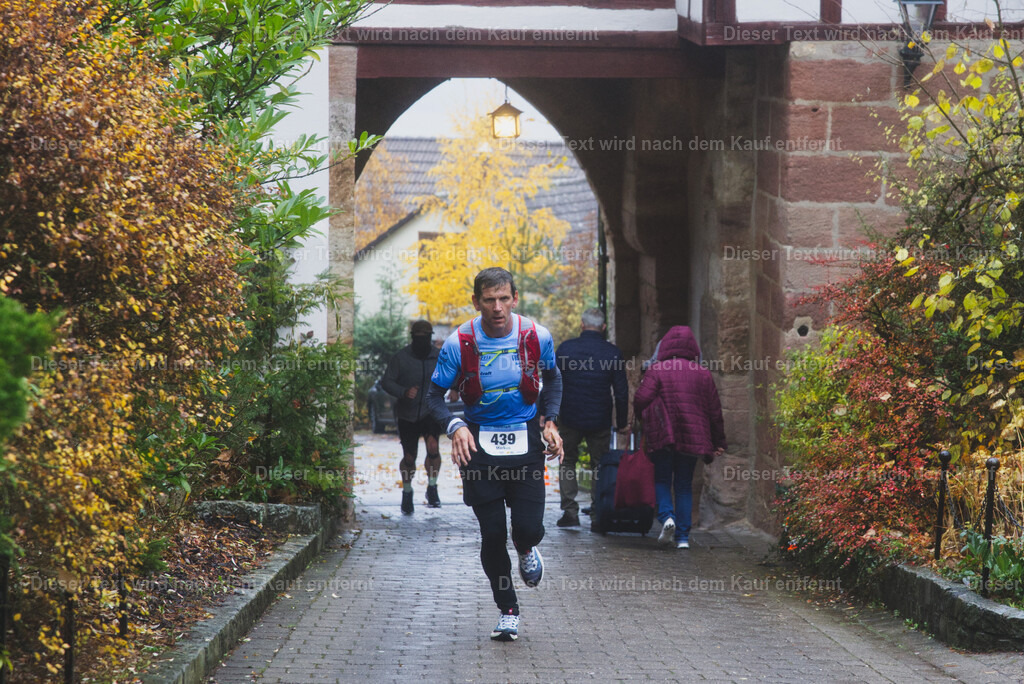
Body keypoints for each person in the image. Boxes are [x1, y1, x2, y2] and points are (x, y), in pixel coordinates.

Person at [426, 267, 563, 642]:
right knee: (491, 533)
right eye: (489, 300)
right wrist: (456, 427)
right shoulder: (460, 342)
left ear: (515, 299)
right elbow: (433, 395)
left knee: (528, 528)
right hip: (479, 447)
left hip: (526, 446)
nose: (498, 307)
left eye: (504, 299)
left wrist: (550, 421)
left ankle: (526, 547)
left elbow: (552, 378)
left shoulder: (537, 336)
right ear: (476, 302)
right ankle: (508, 611)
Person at [633, 325, 726, 549]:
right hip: (692, 438)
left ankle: (667, 517)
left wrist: (642, 420)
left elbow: (641, 399)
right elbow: (715, 411)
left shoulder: (657, 370)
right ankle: (683, 537)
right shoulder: (703, 374)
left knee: (662, 479)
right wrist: (719, 441)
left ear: (664, 346)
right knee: (684, 484)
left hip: (663, 435)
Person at [553, 307, 629, 528]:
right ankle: (598, 514)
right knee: (600, 465)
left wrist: (547, 414)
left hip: (570, 416)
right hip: (599, 418)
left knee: (567, 461)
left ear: (582, 325)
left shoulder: (566, 349)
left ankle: (570, 511)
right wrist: (622, 423)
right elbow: (621, 392)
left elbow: (553, 383)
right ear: (603, 327)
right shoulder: (612, 353)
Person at [382, 319, 443, 514]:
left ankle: (432, 487)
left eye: (425, 338)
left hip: (431, 410)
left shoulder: (439, 356)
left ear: (430, 338)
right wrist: (403, 391)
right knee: (409, 457)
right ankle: (407, 493)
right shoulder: (401, 358)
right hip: (407, 413)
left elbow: (453, 375)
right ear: (412, 338)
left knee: (433, 447)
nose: (422, 341)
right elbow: (387, 382)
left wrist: (456, 388)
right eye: (418, 338)